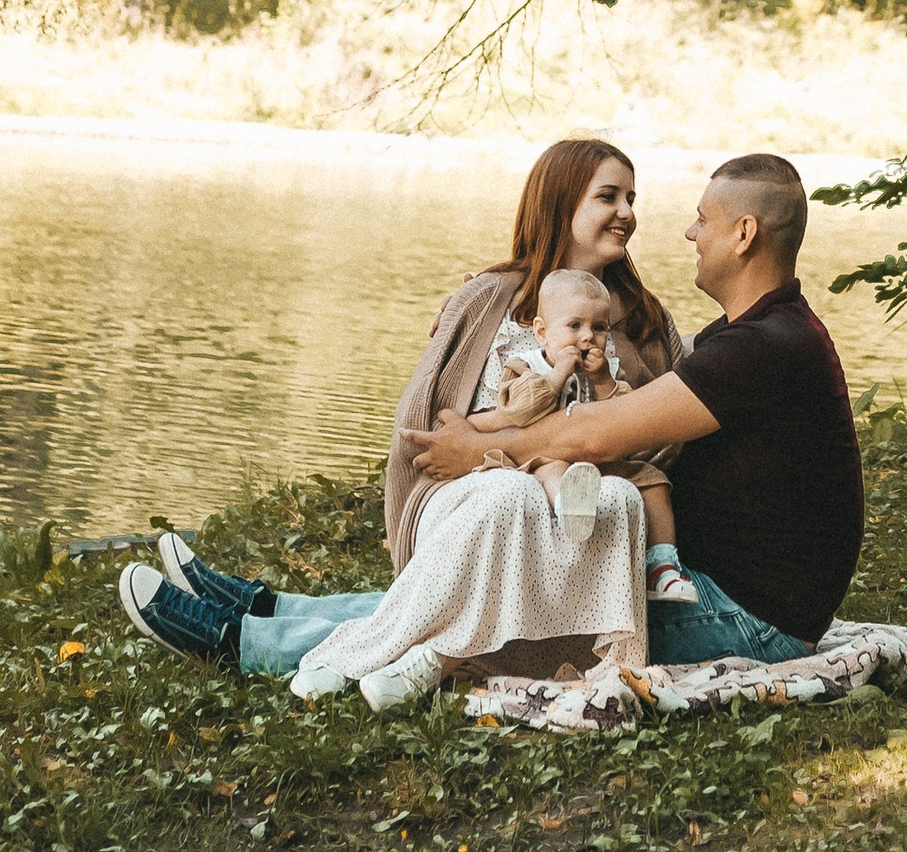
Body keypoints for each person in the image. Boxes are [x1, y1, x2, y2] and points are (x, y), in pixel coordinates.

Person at [117, 137, 683, 701]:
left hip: (568, 514)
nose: (627, 213)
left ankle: (249, 629)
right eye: (608, 196)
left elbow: (678, 411)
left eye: (631, 199)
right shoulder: (488, 298)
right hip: (472, 499)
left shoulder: (645, 320)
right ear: (559, 203)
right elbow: (424, 422)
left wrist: (519, 442)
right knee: (504, 501)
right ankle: (259, 612)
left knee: (528, 519)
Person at [407, 151, 863, 666]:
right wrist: (483, 299)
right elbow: (666, 367)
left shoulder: (764, 346)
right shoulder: (759, 335)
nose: (690, 234)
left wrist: (475, 449)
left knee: (502, 616)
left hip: (748, 620)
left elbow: (594, 434)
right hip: (730, 596)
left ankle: (397, 644)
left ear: (744, 234)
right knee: (491, 595)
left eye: (702, 220)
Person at [481, 259, 695, 595]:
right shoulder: (525, 366)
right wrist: (557, 376)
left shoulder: (605, 369)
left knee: (653, 481)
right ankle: (570, 509)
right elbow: (519, 412)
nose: (587, 337)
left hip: (597, 459)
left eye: (599, 327)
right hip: (545, 456)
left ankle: (662, 567)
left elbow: (623, 417)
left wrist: (603, 381)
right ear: (541, 331)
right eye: (574, 325)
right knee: (555, 468)